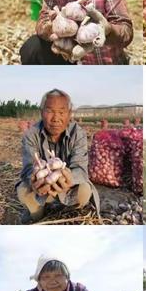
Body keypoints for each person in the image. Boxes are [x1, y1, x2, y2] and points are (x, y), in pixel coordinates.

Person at [16, 89, 99, 223]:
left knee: (84, 191)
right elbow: (28, 168)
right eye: (50, 111)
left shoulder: (78, 134)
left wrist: (68, 178)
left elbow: (81, 169)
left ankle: (67, 209)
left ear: (69, 114)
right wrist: (35, 178)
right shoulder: (31, 134)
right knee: (22, 190)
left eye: (61, 112)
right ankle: (39, 212)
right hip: (41, 189)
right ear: (41, 112)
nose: (56, 118)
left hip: (68, 188)